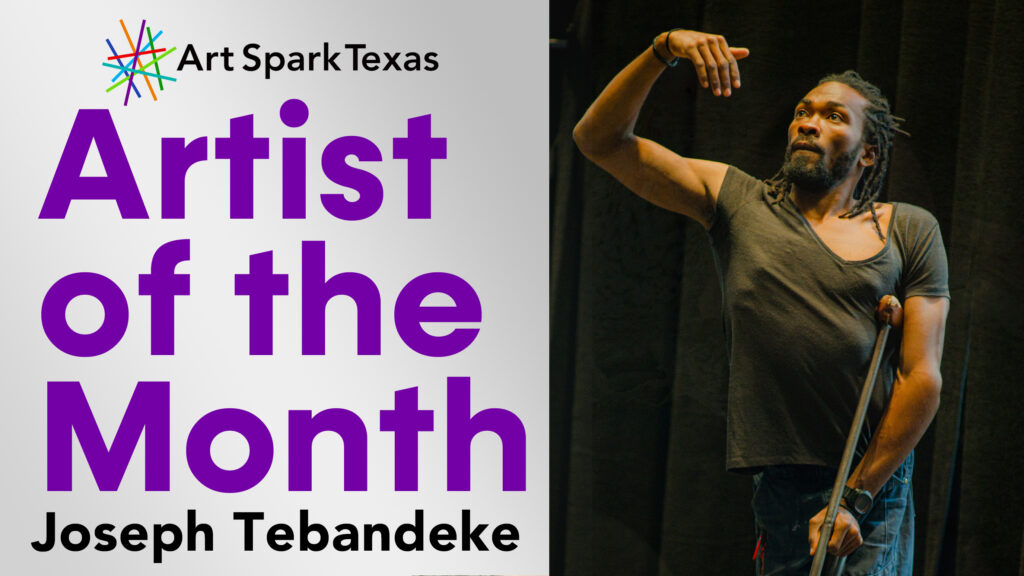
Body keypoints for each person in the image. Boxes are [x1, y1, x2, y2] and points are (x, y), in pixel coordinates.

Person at [573, 28, 950, 575]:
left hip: (870, 480)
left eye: (834, 117)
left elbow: (923, 379)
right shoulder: (739, 202)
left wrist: (855, 497)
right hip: (783, 484)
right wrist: (661, 52)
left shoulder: (908, 230)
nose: (808, 122)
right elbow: (599, 140)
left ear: (870, 151)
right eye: (804, 111)